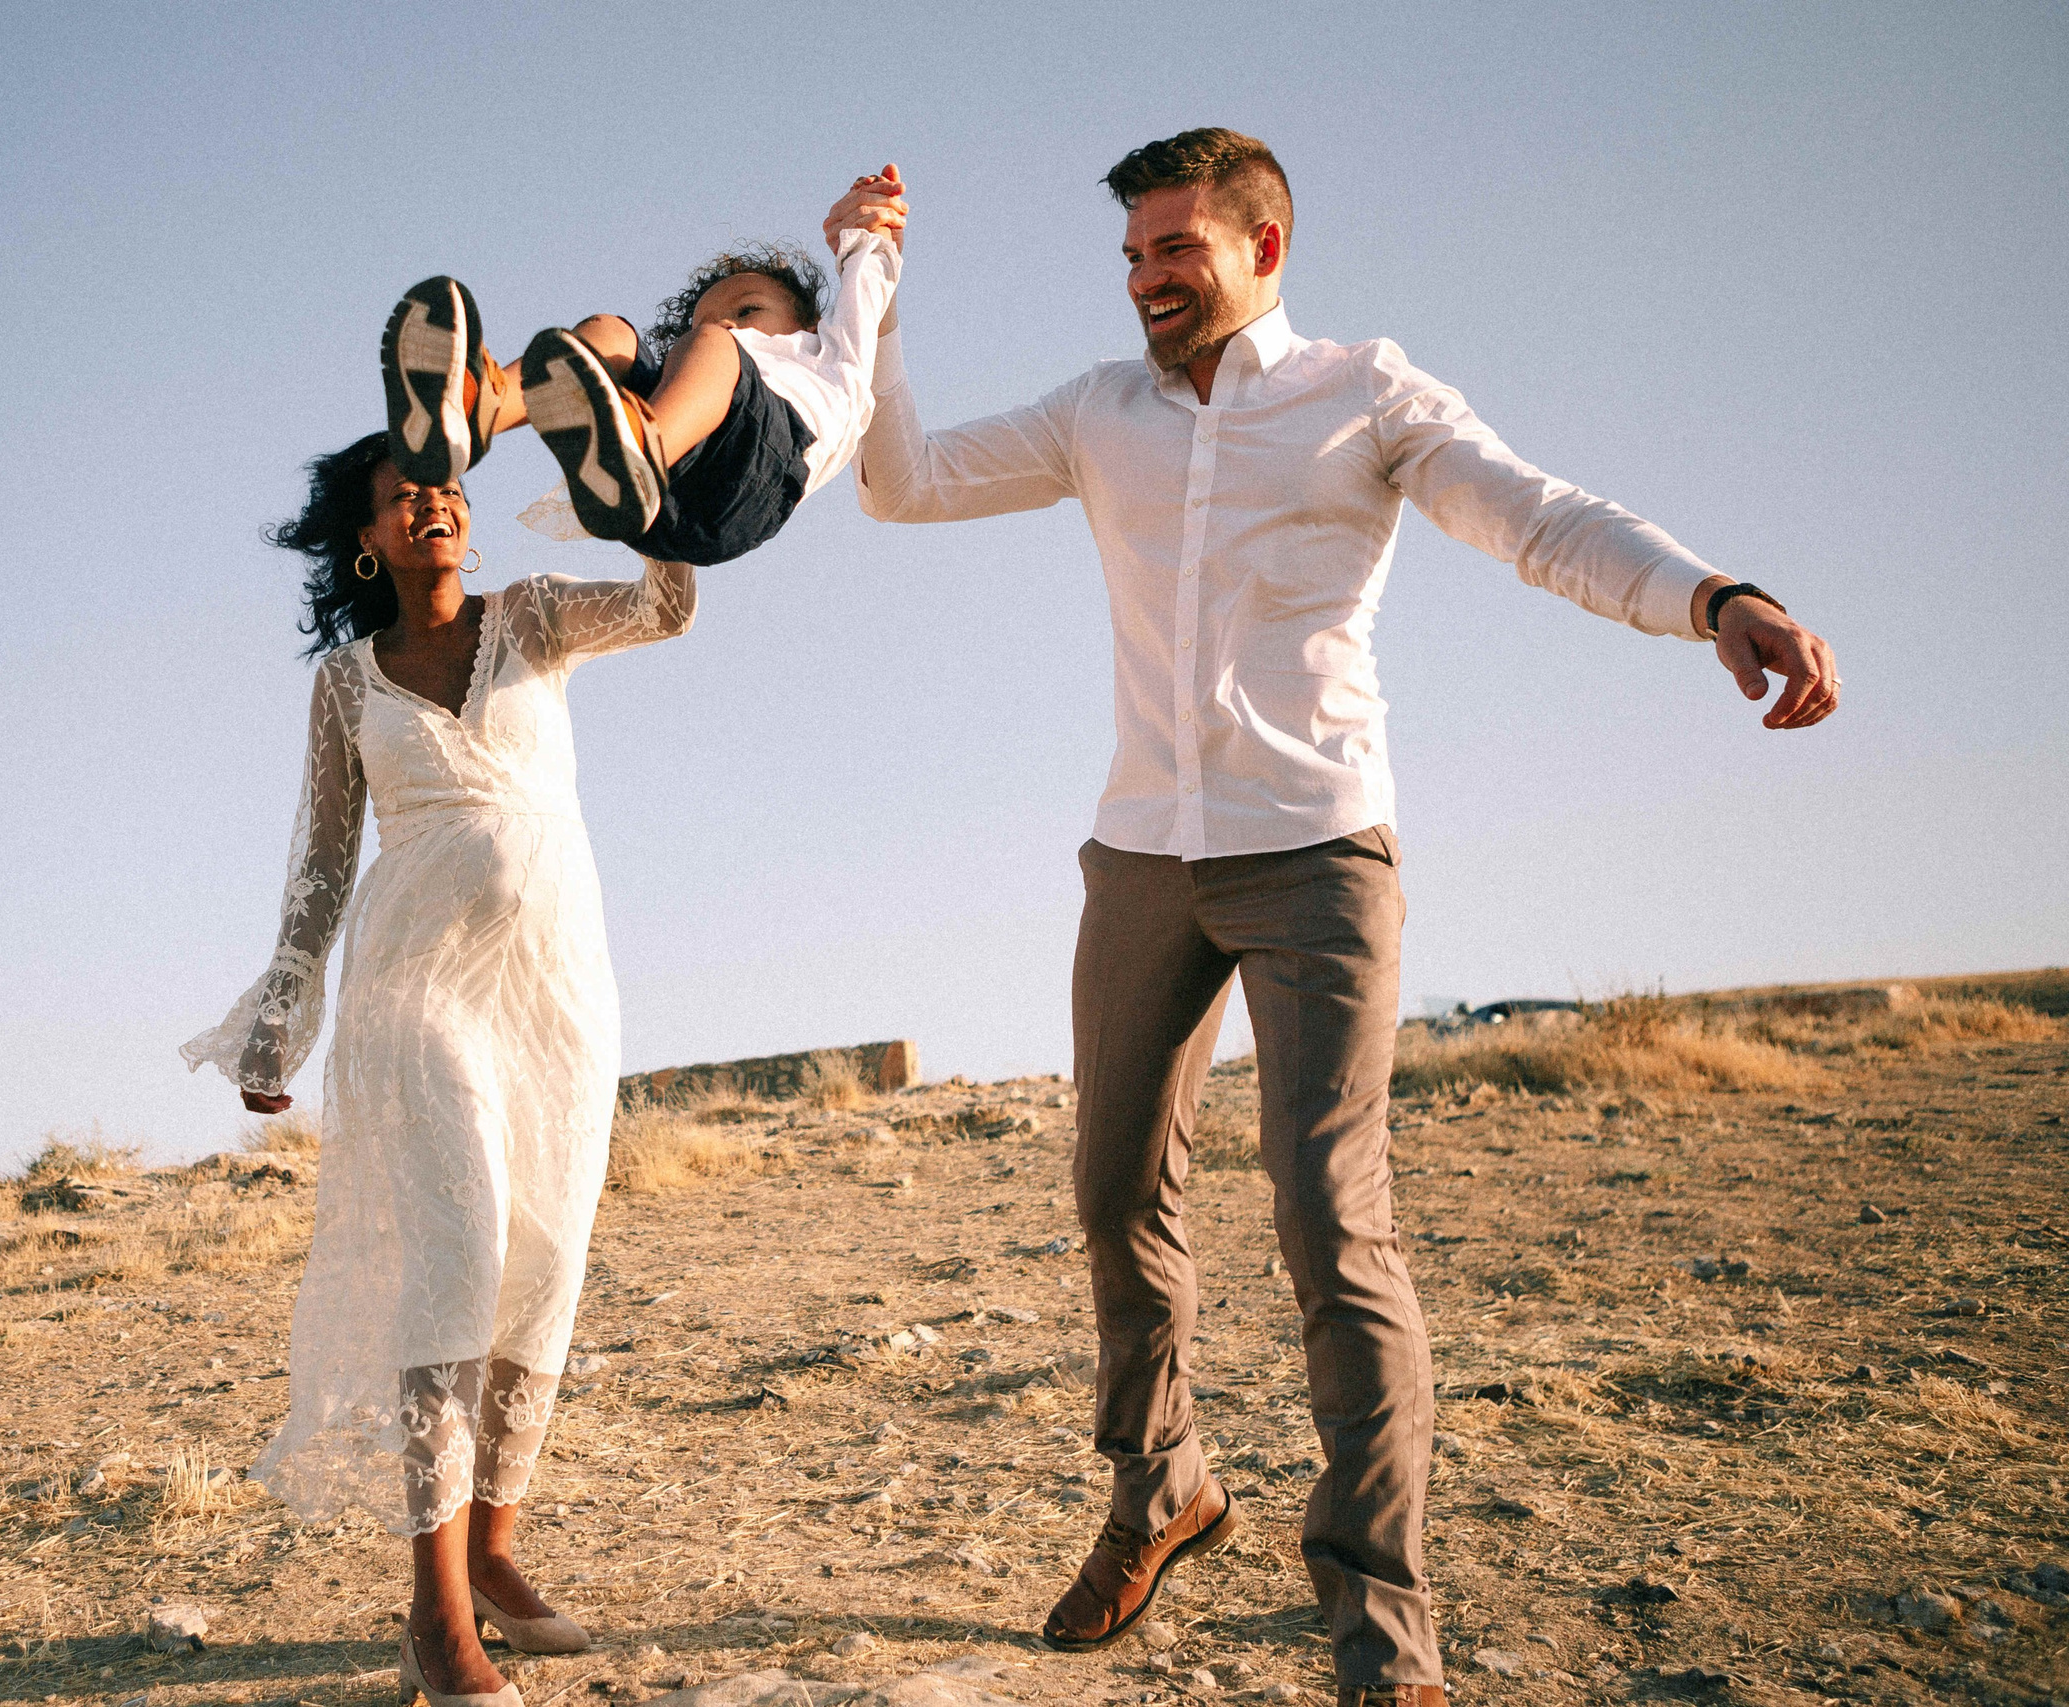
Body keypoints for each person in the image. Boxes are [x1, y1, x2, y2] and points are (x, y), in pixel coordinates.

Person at [829, 131, 1839, 1707]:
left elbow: (1537, 516)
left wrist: (1711, 594)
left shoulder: (1367, 394)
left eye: (1178, 251)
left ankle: (1382, 1632)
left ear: (1266, 245)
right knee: (1113, 1191)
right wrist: (870, 293)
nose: (1149, 280)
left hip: (1316, 855)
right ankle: (1161, 1489)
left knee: (1328, 1220)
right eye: (1134, 258)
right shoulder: (1098, 413)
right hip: (1144, 852)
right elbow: (897, 483)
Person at [182, 432, 695, 1707]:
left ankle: (498, 1554)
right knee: (461, 1263)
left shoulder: (535, 618)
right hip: (416, 990)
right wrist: (279, 1014)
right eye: (405, 493)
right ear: (369, 537)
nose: (435, 502)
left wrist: (631, 487)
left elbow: (671, 603)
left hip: (562, 989)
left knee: (548, 1266)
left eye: (447, 487)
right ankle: (435, 1614)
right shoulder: (348, 685)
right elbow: (319, 862)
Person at [377, 170, 904, 563]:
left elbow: (867, 285)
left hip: (760, 470)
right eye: (713, 318)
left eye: (747, 311)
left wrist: (871, 231)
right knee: (612, 334)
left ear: (810, 323)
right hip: (657, 510)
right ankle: (477, 409)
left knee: (710, 351)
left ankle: (642, 451)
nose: (726, 326)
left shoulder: (832, 353)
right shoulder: (708, 364)